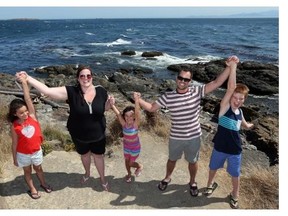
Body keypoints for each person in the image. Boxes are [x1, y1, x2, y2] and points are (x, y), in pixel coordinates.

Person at [137, 55, 239, 197]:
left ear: (190, 81)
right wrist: (138, 99)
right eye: (180, 78)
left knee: (193, 161)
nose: (182, 81)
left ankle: (192, 182)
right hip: (175, 137)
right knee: (172, 159)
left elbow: (217, 82)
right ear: (176, 78)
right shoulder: (168, 96)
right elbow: (151, 108)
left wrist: (229, 66)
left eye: (186, 79)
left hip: (194, 137)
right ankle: (167, 178)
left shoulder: (196, 92)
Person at [16, 65, 111, 191]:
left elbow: (104, 109)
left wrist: (109, 104)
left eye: (88, 75)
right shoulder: (71, 92)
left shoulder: (101, 91)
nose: (85, 78)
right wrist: (28, 78)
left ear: (92, 77)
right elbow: (47, 91)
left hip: (98, 134)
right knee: (85, 156)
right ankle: (87, 173)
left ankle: (103, 179)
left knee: (98, 156)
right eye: (82, 76)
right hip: (79, 135)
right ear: (78, 78)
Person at [203, 61, 254, 209]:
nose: (237, 101)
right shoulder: (224, 108)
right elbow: (231, 87)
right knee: (213, 167)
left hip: (235, 150)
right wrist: (233, 66)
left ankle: (234, 194)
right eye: (235, 97)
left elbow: (243, 123)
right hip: (219, 147)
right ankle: (210, 185)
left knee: (235, 174)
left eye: (241, 99)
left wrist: (250, 126)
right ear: (230, 97)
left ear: (244, 100)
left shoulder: (241, 112)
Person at [7, 76, 52, 199]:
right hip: (23, 154)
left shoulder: (32, 116)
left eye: (26, 111)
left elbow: (27, 98)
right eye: (21, 113)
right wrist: (15, 158)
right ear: (15, 114)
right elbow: (14, 144)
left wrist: (24, 83)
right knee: (27, 171)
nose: (25, 114)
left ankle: (43, 184)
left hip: (36, 151)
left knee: (39, 169)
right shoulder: (14, 126)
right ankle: (32, 188)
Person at [110, 92, 143, 183]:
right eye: (126, 116)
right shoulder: (124, 124)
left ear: (134, 117)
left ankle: (139, 166)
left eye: (131, 116)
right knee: (126, 161)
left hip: (135, 148)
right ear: (124, 117)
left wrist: (136, 100)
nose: (129, 118)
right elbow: (118, 114)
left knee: (131, 163)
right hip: (126, 147)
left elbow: (137, 113)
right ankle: (129, 174)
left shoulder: (135, 125)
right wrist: (112, 104)